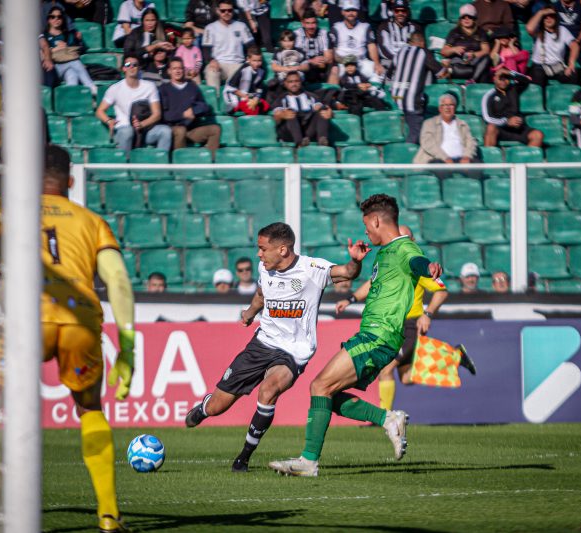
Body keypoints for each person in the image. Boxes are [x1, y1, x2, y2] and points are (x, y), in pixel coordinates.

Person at [0, 145, 136, 533]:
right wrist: (127, 349)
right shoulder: (91, 220)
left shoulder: (2, 217)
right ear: (71, 181)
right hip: (80, 320)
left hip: (26, 323)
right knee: (90, 407)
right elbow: (119, 282)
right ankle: (109, 516)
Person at [268, 194, 443, 477]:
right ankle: (388, 419)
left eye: (367, 225)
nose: (366, 231)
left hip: (379, 336)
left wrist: (430, 268)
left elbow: (418, 262)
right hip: (375, 335)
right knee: (327, 393)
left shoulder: (403, 249)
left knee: (319, 386)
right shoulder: (384, 252)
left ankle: (309, 461)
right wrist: (355, 265)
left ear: (376, 220)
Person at [186, 223, 370, 472]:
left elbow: (347, 272)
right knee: (218, 406)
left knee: (269, 389)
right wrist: (250, 313)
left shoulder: (311, 269)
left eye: (263, 249)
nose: (258, 255)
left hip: (294, 351)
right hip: (262, 344)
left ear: (282, 249)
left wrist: (355, 261)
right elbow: (262, 294)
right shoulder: (265, 268)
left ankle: (244, 456)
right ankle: (205, 407)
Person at [335, 225, 475, 414]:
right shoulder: (392, 264)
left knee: (385, 370)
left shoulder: (417, 267)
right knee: (407, 377)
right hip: (393, 326)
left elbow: (441, 291)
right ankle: (455, 357)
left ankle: (385, 418)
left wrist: (427, 314)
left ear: (412, 242)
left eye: (404, 238)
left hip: (409, 326)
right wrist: (350, 299)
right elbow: (371, 284)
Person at [95, 54, 172, 153]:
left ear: (139, 68)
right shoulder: (115, 88)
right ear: (124, 68)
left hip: (144, 130)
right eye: (128, 64)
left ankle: (159, 164)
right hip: (124, 129)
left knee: (165, 131)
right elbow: (100, 111)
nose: (131, 67)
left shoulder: (149, 86)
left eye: (135, 65)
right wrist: (109, 121)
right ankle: (124, 165)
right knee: (128, 131)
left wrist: (142, 124)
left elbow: (157, 114)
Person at [391, 32, 449, 144]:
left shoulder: (400, 52)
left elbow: (389, 74)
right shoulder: (423, 52)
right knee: (416, 133)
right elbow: (442, 74)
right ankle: (408, 155)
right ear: (422, 43)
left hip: (396, 96)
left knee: (424, 99)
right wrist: (446, 67)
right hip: (411, 100)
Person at [159, 57, 221, 152]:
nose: (178, 71)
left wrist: (193, 110)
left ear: (184, 70)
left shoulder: (191, 86)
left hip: (191, 130)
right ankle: (181, 164)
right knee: (180, 130)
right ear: (169, 71)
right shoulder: (163, 89)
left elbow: (204, 106)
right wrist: (183, 115)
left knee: (215, 129)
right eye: (174, 68)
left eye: (180, 68)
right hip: (172, 130)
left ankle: (210, 163)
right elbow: (164, 115)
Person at [39, 6, 97, 94]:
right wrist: (56, 49)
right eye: (52, 17)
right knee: (74, 62)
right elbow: (41, 54)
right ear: (48, 19)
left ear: (62, 19)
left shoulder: (68, 35)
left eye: (59, 17)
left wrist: (79, 40)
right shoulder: (44, 36)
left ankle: (71, 98)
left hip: (67, 68)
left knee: (72, 74)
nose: (56, 19)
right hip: (54, 69)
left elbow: (79, 50)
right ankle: (92, 88)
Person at [483, 67, 544, 147]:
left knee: (538, 135)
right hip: (501, 129)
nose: (504, 81)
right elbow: (487, 118)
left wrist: (510, 72)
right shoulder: (489, 95)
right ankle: (489, 158)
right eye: (500, 78)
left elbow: (526, 80)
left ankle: (525, 159)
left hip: (518, 129)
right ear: (494, 79)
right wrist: (506, 122)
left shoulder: (513, 89)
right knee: (491, 128)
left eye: (506, 78)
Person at [202, 0, 255, 91]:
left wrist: (249, 61)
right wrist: (211, 61)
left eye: (229, 10)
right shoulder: (210, 28)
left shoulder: (241, 26)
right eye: (223, 10)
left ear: (233, 11)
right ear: (218, 11)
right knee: (211, 71)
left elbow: (251, 46)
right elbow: (206, 50)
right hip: (219, 64)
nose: (226, 13)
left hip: (238, 64)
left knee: (247, 72)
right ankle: (216, 102)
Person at [272, 71, 333, 147]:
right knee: (290, 113)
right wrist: (282, 115)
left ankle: (323, 141)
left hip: (307, 131)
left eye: (296, 81)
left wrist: (328, 112)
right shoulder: (281, 99)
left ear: (301, 82)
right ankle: (299, 143)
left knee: (322, 112)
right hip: (289, 132)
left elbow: (319, 107)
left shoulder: (311, 97)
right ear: (285, 84)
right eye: (290, 82)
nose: (294, 84)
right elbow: (276, 116)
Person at [330, 0, 385, 83]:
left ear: (358, 11)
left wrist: (377, 63)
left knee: (380, 72)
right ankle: (336, 94)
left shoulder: (365, 27)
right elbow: (334, 50)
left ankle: (373, 93)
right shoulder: (336, 27)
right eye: (348, 10)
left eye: (353, 10)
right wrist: (342, 61)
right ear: (342, 12)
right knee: (334, 72)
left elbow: (372, 46)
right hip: (343, 63)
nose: (351, 13)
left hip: (361, 62)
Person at [414, 93, 478, 164]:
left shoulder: (463, 124)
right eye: (444, 105)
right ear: (440, 108)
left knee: (477, 165)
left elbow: (471, 141)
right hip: (438, 159)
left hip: (461, 160)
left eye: (451, 105)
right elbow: (427, 143)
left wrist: (467, 156)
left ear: (455, 108)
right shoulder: (429, 123)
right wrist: (445, 158)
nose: (447, 108)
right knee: (438, 166)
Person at [526, 7, 581, 87]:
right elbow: (529, 28)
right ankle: (540, 99)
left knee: (573, 74)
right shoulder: (538, 30)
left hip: (557, 66)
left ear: (556, 18)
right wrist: (541, 12)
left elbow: (575, 46)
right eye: (545, 17)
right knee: (538, 74)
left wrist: (571, 64)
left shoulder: (562, 30)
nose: (548, 18)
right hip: (539, 66)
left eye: (551, 15)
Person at [441, 4, 491, 83]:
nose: (466, 19)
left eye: (469, 17)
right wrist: (454, 49)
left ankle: (473, 79)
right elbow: (443, 52)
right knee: (483, 72)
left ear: (474, 19)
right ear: (460, 19)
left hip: (475, 63)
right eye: (464, 17)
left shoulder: (481, 32)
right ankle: (476, 77)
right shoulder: (454, 32)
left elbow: (486, 50)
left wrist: (474, 54)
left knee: (487, 59)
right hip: (459, 65)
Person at [376, 0, 421, 74]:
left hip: (409, 61)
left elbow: (418, 47)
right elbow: (384, 49)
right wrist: (398, 60)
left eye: (403, 11)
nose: (400, 14)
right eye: (397, 11)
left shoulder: (415, 27)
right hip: (389, 61)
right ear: (393, 12)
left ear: (407, 12)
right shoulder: (384, 26)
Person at [294, 8, 336, 84]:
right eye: (308, 23)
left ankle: (331, 93)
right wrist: (311, 61)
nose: (311, 26)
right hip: (303, 68)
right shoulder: (296, 35)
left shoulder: (324, 34)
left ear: (317, 23)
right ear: (303, 23)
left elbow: (329, 58)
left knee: (334, 68)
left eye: (313, 23)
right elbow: (295, 58)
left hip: (321, 68)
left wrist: (319, 61)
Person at [222, 47, 268, 114]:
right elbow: (231, 87)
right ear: (248, 59)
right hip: (239, 96)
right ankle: (236, 108)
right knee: (252, 110)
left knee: (265, 106)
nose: (257, 64)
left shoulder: (262, 71)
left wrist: (256, 99)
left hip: (251, 96)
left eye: (259, 61)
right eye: (254, 61)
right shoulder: (243, 70)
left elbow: (259, 87)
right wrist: (246, 97)